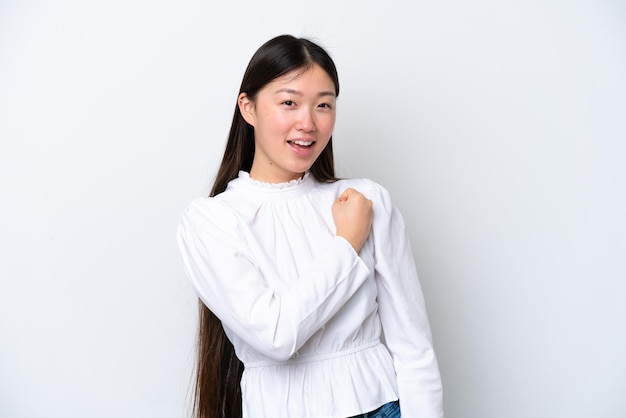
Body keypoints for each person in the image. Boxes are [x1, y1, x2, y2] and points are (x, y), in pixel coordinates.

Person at [177, 34, 443, 418]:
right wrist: (347, 243)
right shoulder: (213, 221)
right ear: (248, 108)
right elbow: (276, 335)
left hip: (382, 407)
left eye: (323, 105)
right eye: (289, 102)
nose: (308, 123)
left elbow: (414, 347)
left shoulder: (366, 200)